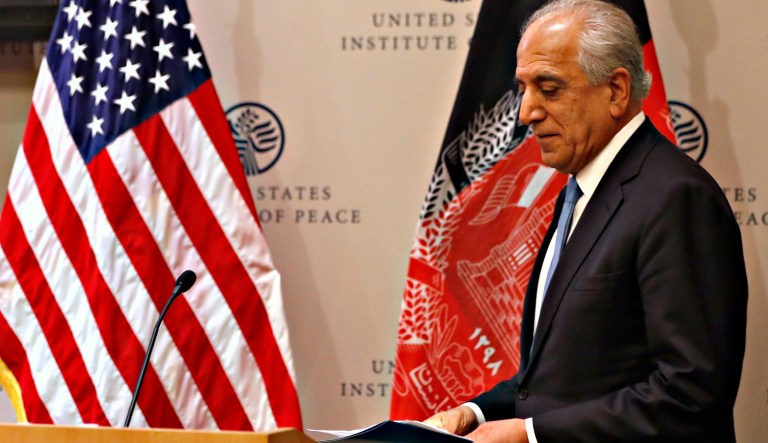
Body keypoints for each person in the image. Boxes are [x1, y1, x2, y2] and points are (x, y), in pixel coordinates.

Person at [423, 1, 748, 442]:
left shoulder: (675, 197)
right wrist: (474, 413)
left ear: (615, 90)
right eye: (523, 88)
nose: (526, 112)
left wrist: (531, 434)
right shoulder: (579, 192)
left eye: (549, 88)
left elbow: (691, 394)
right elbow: (560, 382)